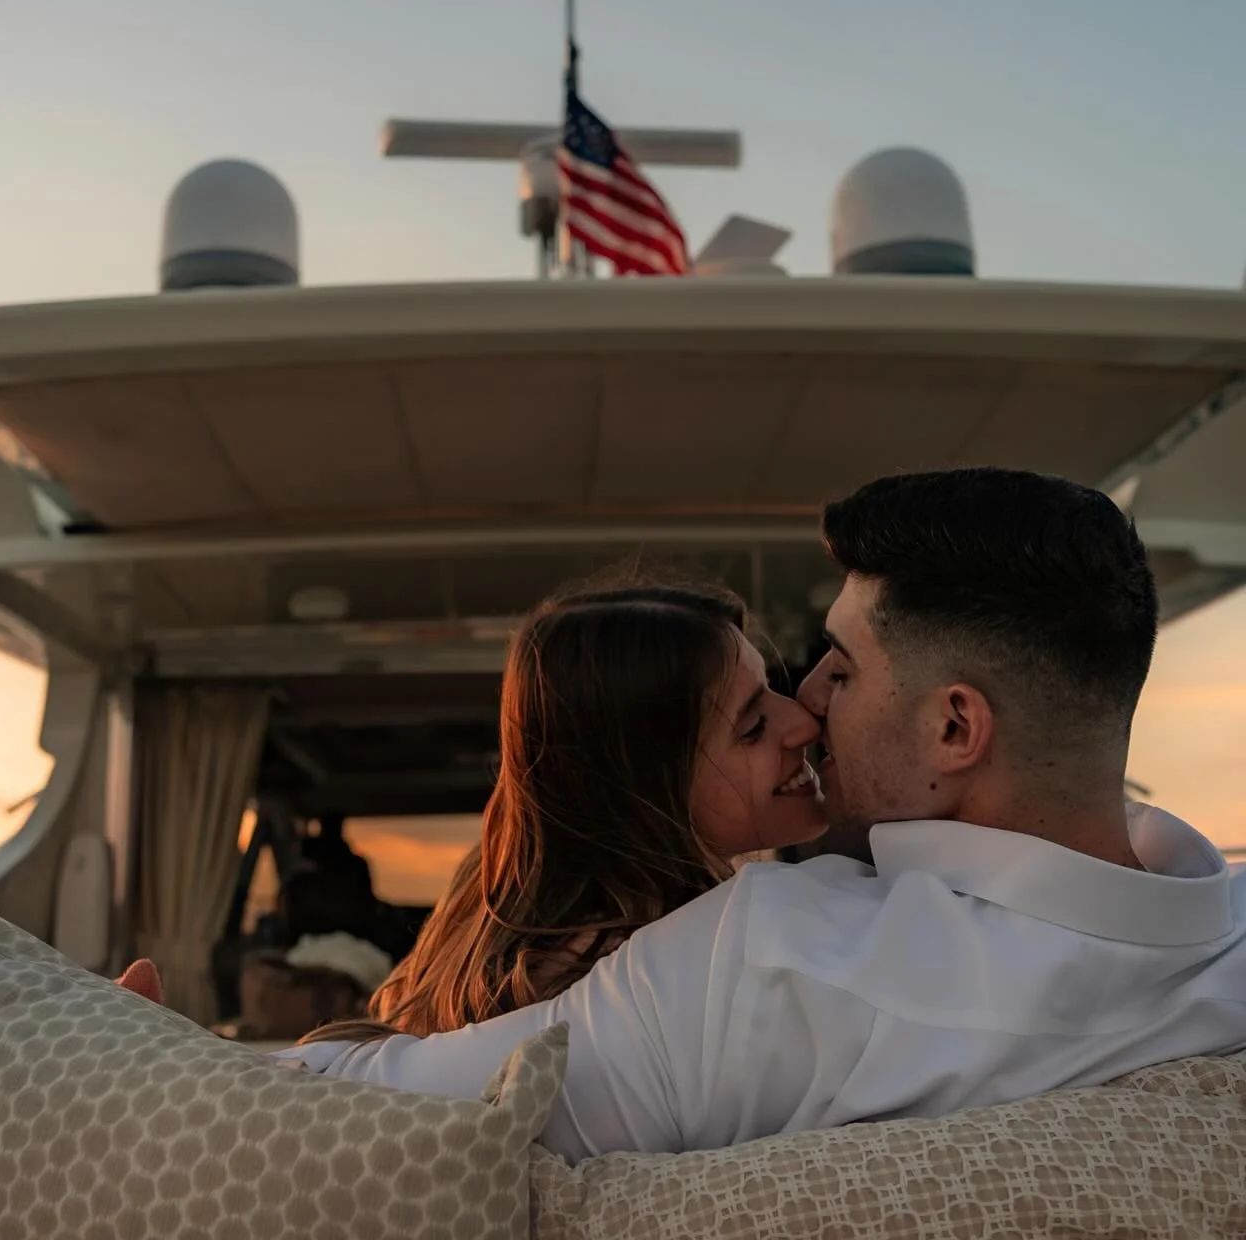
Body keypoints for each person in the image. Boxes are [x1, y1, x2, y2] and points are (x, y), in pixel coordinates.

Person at [276, 468, 1246, 1163]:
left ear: (955, 727)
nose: (810, 703)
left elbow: (362, 1118)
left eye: (842, 668)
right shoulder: (1225, 956)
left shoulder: (770, 967)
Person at [305, 576, 826, 1042]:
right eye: (752, 727)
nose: (804, 723)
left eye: (771, 691)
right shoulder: (645, 982)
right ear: (641, 786)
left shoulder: (512, 942)